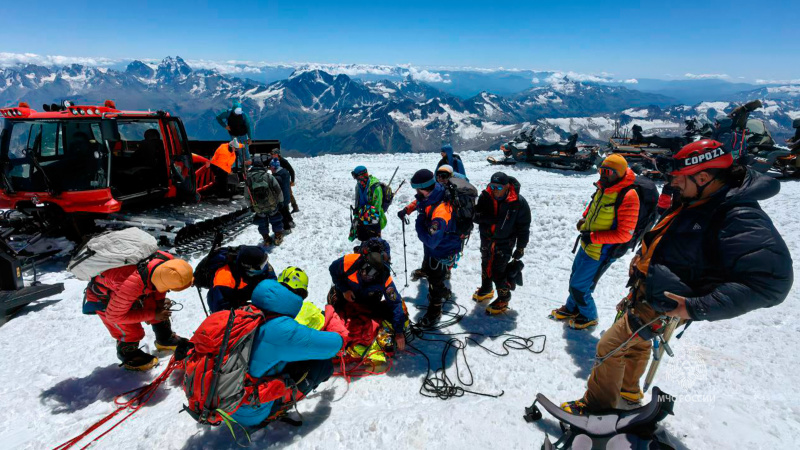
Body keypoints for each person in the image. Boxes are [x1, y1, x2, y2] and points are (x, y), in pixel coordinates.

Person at [560, 140, 793, 415]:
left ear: (703, 177)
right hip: (651, 293)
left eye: (679, 178)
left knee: (610, 346)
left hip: (669, 300)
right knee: (637, 343)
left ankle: (596, 409)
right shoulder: (701, 199)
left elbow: (772, 282)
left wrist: (697, 306)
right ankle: (628, 391)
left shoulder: (738, 215)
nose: (673, 184)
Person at [229, 267, 347, 427]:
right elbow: (334, 344)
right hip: (250, 413)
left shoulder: (246, 311)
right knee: (322, 365)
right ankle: (274, 409)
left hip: (226, 401)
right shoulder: (283, 329)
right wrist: (330, 312)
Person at [550, 154, 640, 330]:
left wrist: (592, 237)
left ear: (620, 173)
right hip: (587, 244)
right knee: (575, 279)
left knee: (581, 286)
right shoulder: (604, 188)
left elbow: (624, 235)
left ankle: (589, 316)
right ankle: (571, 308)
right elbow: (593, 207)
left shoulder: (628, 196)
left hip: (602, 251)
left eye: (609, 172)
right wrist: (584, 220)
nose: (603, 174)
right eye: (602, 170)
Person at [84, 252, 193, 370]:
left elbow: (161, 285)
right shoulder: (130, 285)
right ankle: (128, 354)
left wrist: (159, 304)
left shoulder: (167, 262)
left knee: (158, 307)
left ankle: (164, 338)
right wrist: (153, 314)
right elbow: (114, 316)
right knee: (131, 330)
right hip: (106, 300)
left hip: (135, 289)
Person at [397, 169, 462, 326]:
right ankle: (438, 285)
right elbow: (421, 202)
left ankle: (435, 309)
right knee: (429, 267)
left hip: (442, 247)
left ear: (423, 188)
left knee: (435, 277)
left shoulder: (441, 210)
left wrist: (419, 223)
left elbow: (432, 240)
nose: (416, 192)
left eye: (417, 189)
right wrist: (407, 210)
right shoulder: (434, 192)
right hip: (435, 245)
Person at [328, 238, 407, 351]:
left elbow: (395, 304)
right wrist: (344, 290)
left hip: (367, 301)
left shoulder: (384, 279)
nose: (364, 273)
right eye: (364, 269)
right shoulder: (351, 261)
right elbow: (333, 270)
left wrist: (399, 332)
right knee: (336, 316)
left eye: (370, 272)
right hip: (345, 296)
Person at [472, 172, 531, 314]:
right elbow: (474, 215)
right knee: (486, 263)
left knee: (498, 270)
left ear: (507, 187)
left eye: (498, 187)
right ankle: (486, 289)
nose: (494, 190)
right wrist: (488, 219)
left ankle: (504, 298)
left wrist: (521, 247)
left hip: (506, 241)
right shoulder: (485, 197)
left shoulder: (518, 202)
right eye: (492, 186)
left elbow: (524, 227)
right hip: (486, 238)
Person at [207, 246, 277, 313]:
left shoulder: (260, 262)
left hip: (248, 290)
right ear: (247, 267)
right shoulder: (224, 279)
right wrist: (242, 310)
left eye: (265, 262)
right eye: (262, 266)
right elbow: (220, 312)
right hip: (233, 300)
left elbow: (272, 283)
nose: (266, 266)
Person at [248, 156, 285, 246]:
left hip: (258, 206)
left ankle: (266, 239)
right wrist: (281, 201)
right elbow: (278, 189)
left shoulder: (248, 179)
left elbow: (247, 195)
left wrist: (251, 205)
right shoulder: (268, 176)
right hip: (272, 204)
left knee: (262, 222)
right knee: (275, 219)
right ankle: (278, 236)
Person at [350, 166, 387, 242]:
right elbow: (358, 202)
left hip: (373, 222)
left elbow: (377, 209)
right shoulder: (358, 186)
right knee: (363, 243)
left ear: (362, 175)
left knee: (375, 244)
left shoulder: (376, 188)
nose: (357, 180)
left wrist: (372, 224)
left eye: (357, 177)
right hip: (362, 220)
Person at [215, 100, 253, 169]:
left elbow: (248, 126)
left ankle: (249, 165)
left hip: (243, 135)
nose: (238, 114)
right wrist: (225, 126)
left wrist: (250, 138)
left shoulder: (243, 115)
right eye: (236, 113)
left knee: (246, 150)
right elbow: (218, 118)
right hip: (234, 135)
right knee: (240, 151)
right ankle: (244, 166)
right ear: (233, 110)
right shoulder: (227, 113)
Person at [271, 148, 299, 213]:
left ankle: (294, 207)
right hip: (277, 178)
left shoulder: (284, 161)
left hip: (285, 179)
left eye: (273, 154)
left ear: (277, 154)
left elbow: (291, 170)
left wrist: (292, 181)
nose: (272, 155)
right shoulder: (272, 160)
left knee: (288, 192)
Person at [269, 158, 294, 230]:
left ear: (273, 167)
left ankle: (287, 228)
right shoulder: (285, 172)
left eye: (270, 166)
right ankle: (290, 221)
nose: (270, 168)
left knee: (282, 213)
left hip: (281, 197)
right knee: (286, 210)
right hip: (286, 195)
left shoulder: (277, 176)